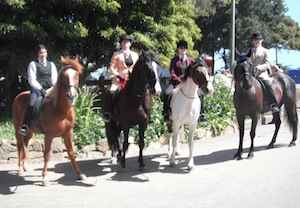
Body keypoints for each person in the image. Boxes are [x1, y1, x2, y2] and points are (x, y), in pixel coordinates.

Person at [19, 44, 58, 136]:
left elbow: (55, 79)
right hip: (37, 89)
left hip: (50, 89)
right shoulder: (33, 64)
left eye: (44, 52)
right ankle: (25, 125)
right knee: (32, 104)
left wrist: (52, 89)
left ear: (47, 53)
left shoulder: (51, 65)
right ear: (38, 54)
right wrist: (41, 90)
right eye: (41, 53)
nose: (43, 54)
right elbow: (32, 80)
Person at [102, 34, 139, 121]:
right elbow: (111, 67)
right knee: (111, 91)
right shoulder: (116, 54)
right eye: (124, 42)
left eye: (127, 42)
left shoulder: (135, 55)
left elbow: (137, 68)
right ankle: (108, 113)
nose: (125, 43)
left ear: (130, 44)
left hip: (132, 80)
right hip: (119, 79)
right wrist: (117, 75)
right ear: (121, 43)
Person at [246, 32, 280, 113]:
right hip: (250, 73)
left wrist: (259, 67)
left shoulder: (265, 51)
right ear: (252, 41)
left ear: (261, 41)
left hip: (261, 74)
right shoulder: (249, 51)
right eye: (255, 40)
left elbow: (268, 64)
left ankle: (273, 104)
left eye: (258, 40)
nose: (256, 41)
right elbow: (246, 61)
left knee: (267, 84)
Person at [163, 40, 194, 122]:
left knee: (199, 94)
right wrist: (179, 81)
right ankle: (167, 114)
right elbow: (172, 73)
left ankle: (200, 113)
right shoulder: (174, 60)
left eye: (184, 48)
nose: (182, 50)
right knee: (167, 93)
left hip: (188, 84)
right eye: (181, 48)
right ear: (178, 49)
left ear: (186, 50)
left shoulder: (191, 61)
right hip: (175, 83)